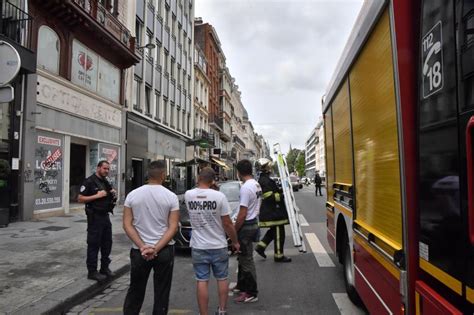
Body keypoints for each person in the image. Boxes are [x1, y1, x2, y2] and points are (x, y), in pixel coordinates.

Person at [122, 160, 180, 315]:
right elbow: (173, 227)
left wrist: (142, 246)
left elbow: (127, 224)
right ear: (163, 175)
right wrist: (156, 248)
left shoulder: (132, 195)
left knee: (135, 289)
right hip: (164, 250)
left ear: (148, 175)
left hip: (139, 251)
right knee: (162, 291)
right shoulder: (171, 197)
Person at [185, 167, 240, 315]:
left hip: (198, 245)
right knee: (222, 278)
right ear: (213, 181)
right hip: (218, 245)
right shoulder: (219, 196)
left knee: (202, 280)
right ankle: (222, 310)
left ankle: (203, 313)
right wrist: (235, 241)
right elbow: (228, 223)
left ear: (198, 178)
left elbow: (200, 195)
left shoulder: (188, 195)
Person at [78, 160, 117, 282]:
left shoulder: (105, 181)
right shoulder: (89, 181)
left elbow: (109, 192)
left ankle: (104, 268)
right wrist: (97, 196)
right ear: (98, 168)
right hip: (95, 217)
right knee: (94, 244)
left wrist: (113, 193)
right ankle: (92, 271)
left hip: (105, 216)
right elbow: (80, 198)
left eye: (108, 169)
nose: (106, 171)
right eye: (104, 168)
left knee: (107, 243)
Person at [232, 159, 261, 303]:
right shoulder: (256, 184)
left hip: (246, 225)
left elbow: (242, 213)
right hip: (254, 222)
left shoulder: (245, 188)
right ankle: (242, 286)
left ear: (239, 172)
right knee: (243, 257)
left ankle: (251, 292)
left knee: (246, 260)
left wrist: (234, 230)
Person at [254, 158, 292, 263]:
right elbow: (268, 196)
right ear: (264, 168)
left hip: (273, 211)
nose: (270, 167)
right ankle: (279, 256)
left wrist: (281, 190)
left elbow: (272, 191)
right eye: (268, 165)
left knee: (273, 232)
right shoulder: (264, 180)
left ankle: (260, 247)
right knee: (280, 234)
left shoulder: (265, 179)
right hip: (273, 212)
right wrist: (282, 195)